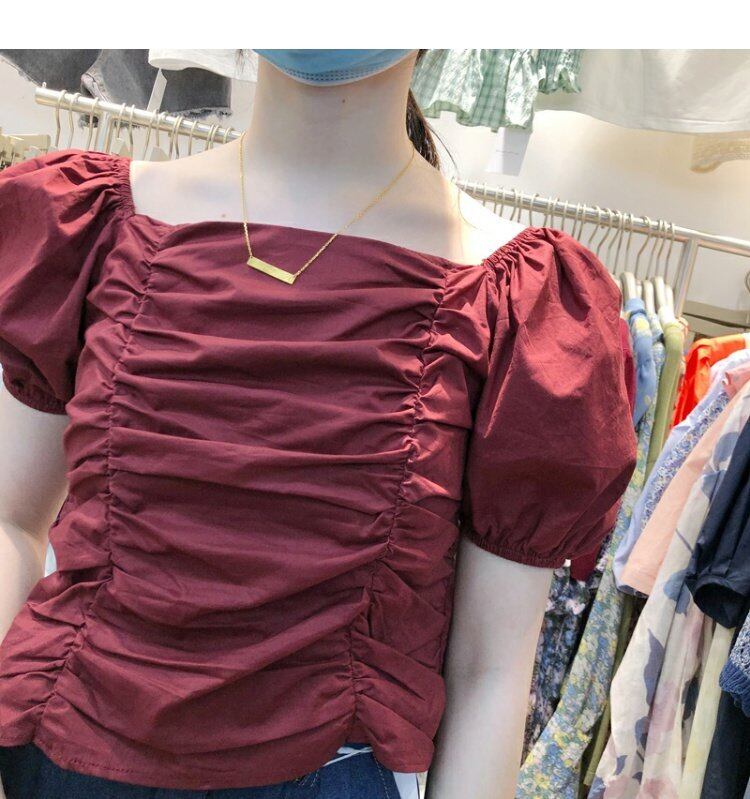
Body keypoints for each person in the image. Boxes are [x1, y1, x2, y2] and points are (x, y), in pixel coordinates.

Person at [0, 49, 636, 799]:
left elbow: (490, 670)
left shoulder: (522, 305)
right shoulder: (88, 227)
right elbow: (11, 523)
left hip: (329, 771)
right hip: (60, 752)